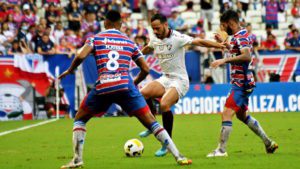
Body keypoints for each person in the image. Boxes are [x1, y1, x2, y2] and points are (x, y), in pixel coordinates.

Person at [59, 10, 192, 169]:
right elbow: (146, 69)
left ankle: (77, 160)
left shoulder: (95, 38)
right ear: (121, 25)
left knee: (80, 119)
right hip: (125, 86)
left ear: (105, 23)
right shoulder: (129, 42)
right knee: (152, 122)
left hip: (104, 85)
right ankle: (179, 156)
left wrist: (71, 70)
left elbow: (81, 56)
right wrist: (134, 83)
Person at [137, 13, 225, 157]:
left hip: (180, 80)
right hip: (166, 78)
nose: (155, 31)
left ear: (166, 25)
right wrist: (136, 54)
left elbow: (199, 42)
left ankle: (167, 144)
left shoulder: (177, 38)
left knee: (164, 104)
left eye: (158, 28)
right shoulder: (155, 39)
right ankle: (151, 124)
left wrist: (219, 45)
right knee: (143, 93)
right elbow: (148, 47)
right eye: (153, 28)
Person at [206, 10, 278, 157]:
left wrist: (224, 60)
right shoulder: (240, 36)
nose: (223, 28)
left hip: (241, 82)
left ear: (231, 23)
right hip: (242, 81)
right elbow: (238, 51)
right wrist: (226, 45)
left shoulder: (242, 36)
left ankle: (221, 150)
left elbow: (246, 56)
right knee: (242, 115)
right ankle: (268, 143)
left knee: (226, 113)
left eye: (224, 25)